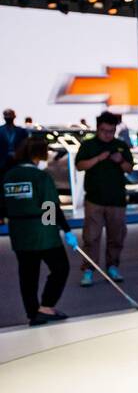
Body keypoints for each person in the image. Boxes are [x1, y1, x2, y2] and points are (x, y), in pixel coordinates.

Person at [1, 136, 75, 325]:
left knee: (27, 274)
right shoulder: (40, 176)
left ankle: (33, 312)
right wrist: (62, 229)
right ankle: (46, 306)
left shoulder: (9, 175)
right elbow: (50, 205)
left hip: (19, 231)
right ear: (39, 153)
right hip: (42, 233)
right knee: (60, 268)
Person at [74, 111, 132, 286]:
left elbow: (129, 169)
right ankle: (89, 270)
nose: (108, 135)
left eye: (111, 131)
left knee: (117, 236)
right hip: (94, 199)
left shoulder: (121, 145)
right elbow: (79, 165)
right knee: (91, 237)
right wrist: (98, 159)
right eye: (104, 131)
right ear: (98, 129)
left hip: (117, 200)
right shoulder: (88, 145)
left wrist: (120, 161)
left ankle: (113, 266)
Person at [0, 108, 29, 176]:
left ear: (14, 116)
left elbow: (25, 146)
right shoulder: (0, 130)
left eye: (10, 115)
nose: (8, 117)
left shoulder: (21, 131)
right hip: (2, 162)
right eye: (6, 115)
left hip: (18, 160)